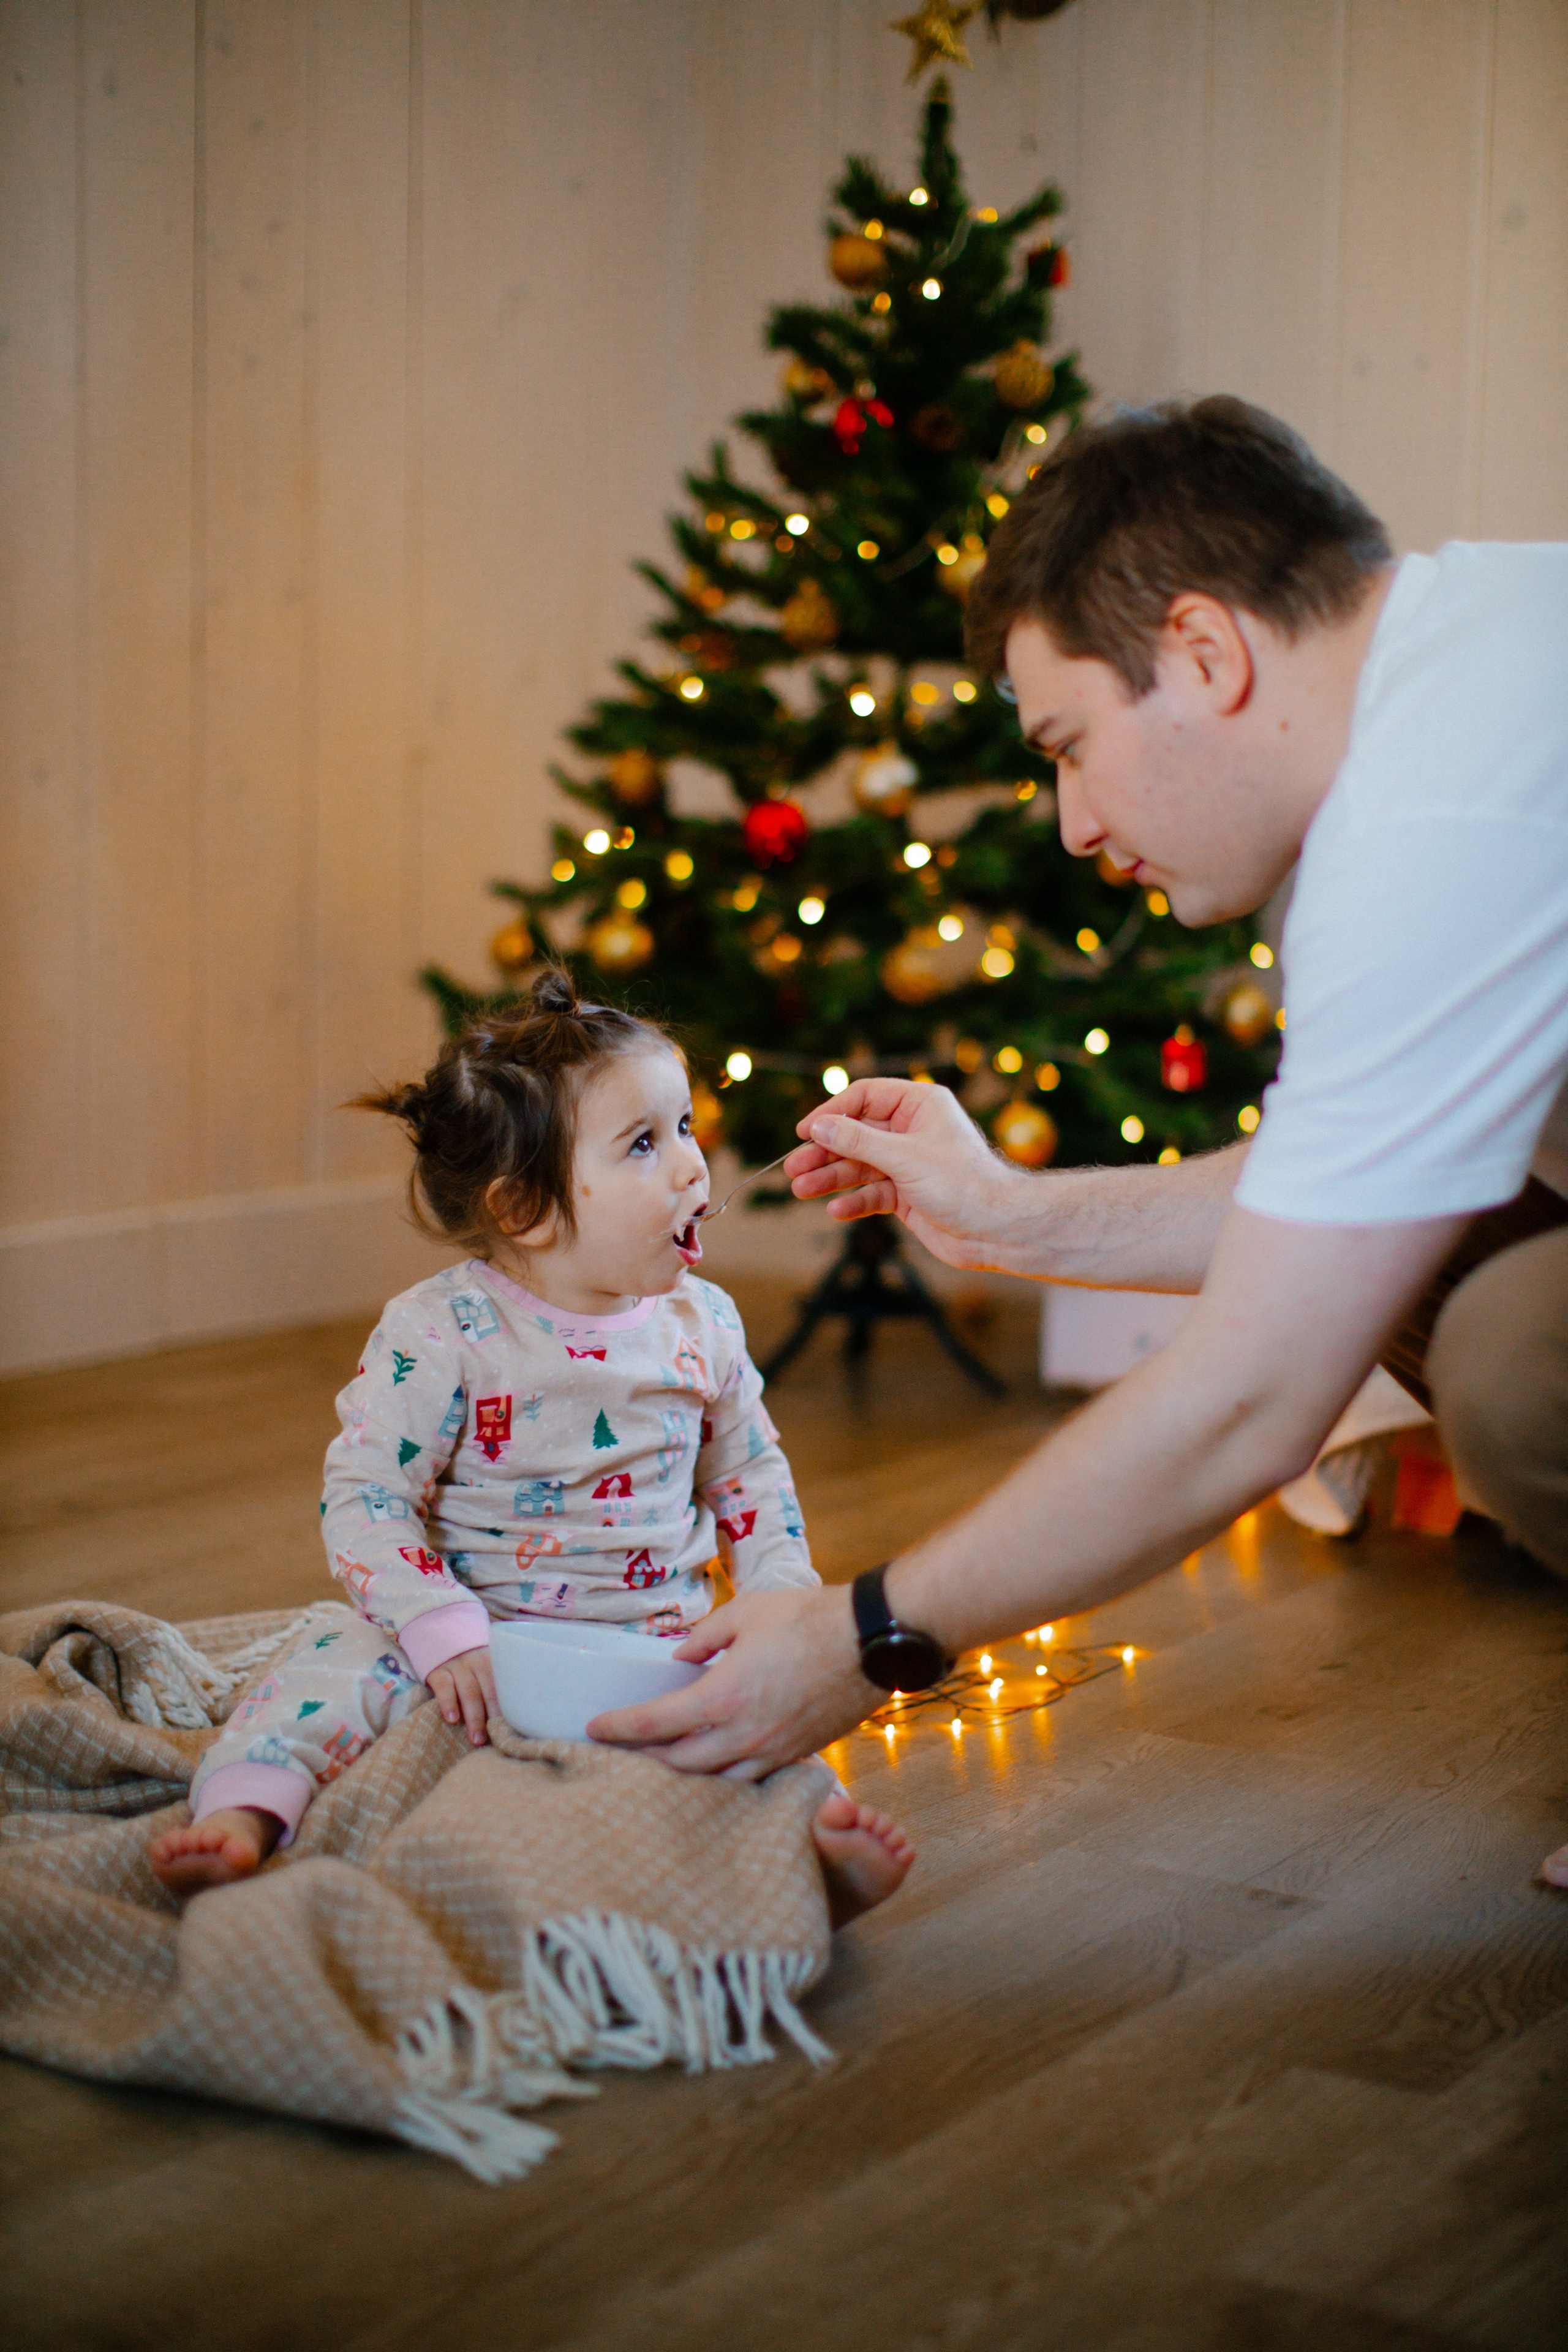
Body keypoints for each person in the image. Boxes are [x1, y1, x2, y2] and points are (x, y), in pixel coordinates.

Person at [588, 397, 1568, 1889]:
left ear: (1202, 655)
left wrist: (859, 1639)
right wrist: (1005, 1214)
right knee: (1464, 1282)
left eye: (1066, 744)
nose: (1065, 824)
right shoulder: (1463, 679)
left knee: (1516, 1353)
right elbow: (1348, 1199)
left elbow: (1252, 1400)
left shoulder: (1437, 816)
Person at [150, 971, 914, 1922]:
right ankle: (245, 1816)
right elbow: (366, 1497)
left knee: (757, 1716)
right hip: (472, 1640)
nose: (691, 1168)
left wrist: (778, 1598)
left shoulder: (702, 1322)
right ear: (526, 1212)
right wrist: (434, 1623)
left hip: (651, 1650)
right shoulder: (442, 1331)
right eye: (644, 1143)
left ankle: (811, 1852)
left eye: (685, 1128)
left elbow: (749, 1474)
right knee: (325, 1669)